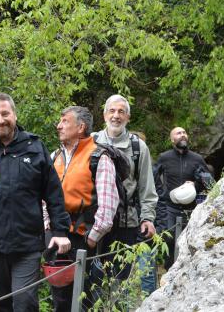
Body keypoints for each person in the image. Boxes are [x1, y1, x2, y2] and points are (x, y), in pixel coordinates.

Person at [0, 93, 72, 312]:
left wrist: (60, 231)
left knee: (25, 302)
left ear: (14, 114)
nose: (0, 119)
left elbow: (53, 194)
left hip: (27, 244)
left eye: (5, 113)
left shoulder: (35, 147)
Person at [49, 106, 119, 312]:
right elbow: (44, 197)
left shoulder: (99, 156)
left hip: (82, 236)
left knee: (83, 297)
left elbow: (108, 204)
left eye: (64, 121)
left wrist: (92, 237)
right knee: (59, 296)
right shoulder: (55, 156)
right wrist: (47, 226)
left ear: (81, 127)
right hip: (55, 234)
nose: (58, 126)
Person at [90, 95, 158, 295]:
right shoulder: (90, 142)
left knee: (120, 281)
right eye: (112, 111)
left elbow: (147, 187)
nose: (116, 116)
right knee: (91, 279)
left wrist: (147, 218)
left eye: (121, 112)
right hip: (92, 222)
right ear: (104, 115)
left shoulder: (138, 147)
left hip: (126, 223)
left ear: (128, 117)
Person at [154, 126, 214, 268]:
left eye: (184, 133)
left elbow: (210, 183)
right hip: (169, 207)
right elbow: (153, 177)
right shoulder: (165, 157)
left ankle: (185, 271)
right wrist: (161, 194)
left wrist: (195, 184)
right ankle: (168, 273)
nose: (182, 135)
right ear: (172, 139)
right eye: (178, 133)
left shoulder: (197, 158)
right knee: (168, 240)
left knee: (188, 242)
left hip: (191, 209)